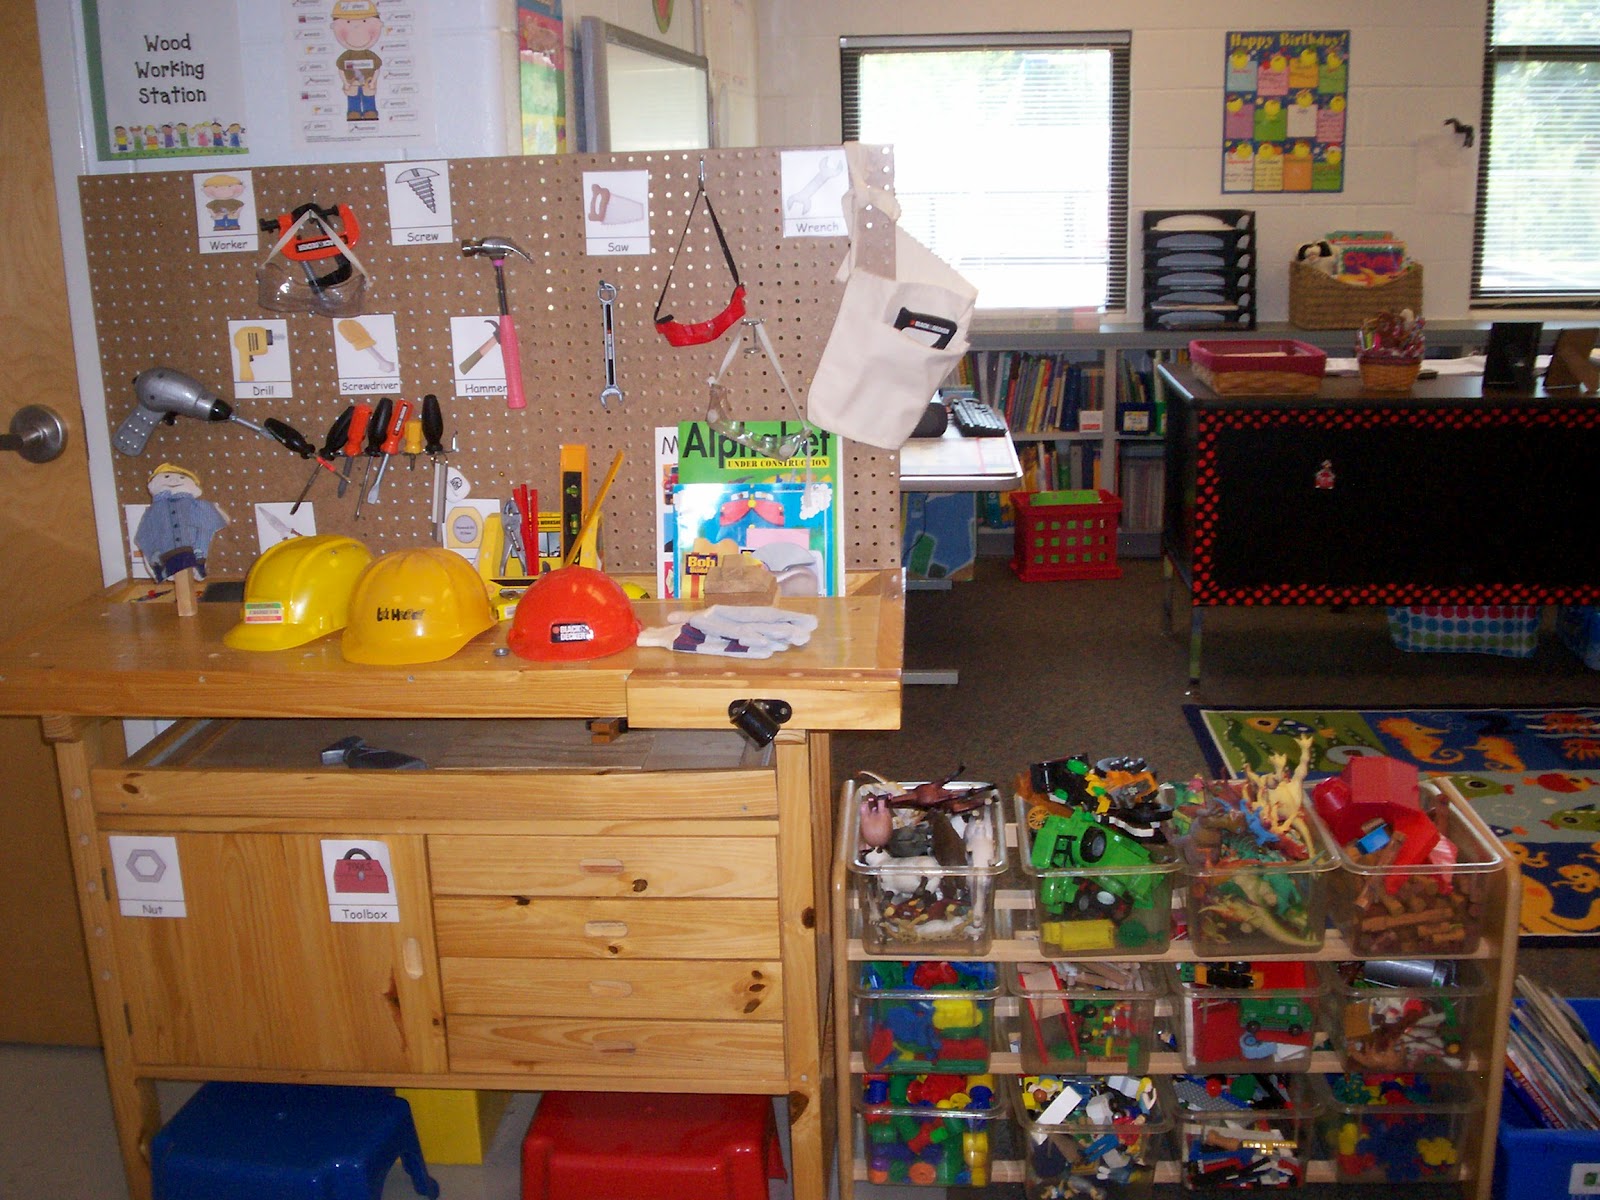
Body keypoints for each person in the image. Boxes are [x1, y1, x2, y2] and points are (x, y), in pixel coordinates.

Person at [134, 464, 229, 582]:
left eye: (181, 478)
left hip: (192, 554)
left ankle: (197, 563)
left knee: (202, 530)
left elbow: (211, 522)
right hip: (166, 557)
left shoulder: (195, 505)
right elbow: (145, 535)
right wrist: (152, 561)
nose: (174, 480)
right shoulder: (155, 510)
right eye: (167, 476)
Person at [332, 0, 384, 122]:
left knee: (369, 97)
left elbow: (377, 69)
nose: (357, 29)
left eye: (364, 21)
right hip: (352, 83)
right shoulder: (346, 55)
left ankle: (370, 111)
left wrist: (373, 82)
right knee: (353, 98)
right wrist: (345, 82)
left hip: (367, 82)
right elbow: (341, 70)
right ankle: (353, 112)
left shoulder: (369, 55)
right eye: (348, 22)